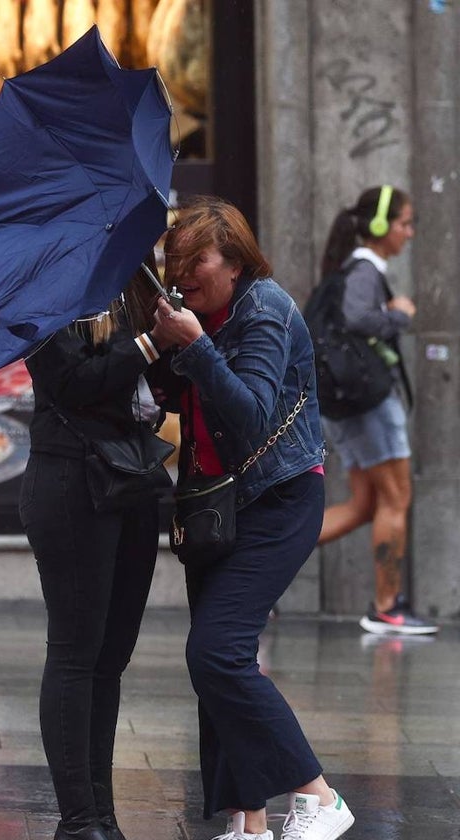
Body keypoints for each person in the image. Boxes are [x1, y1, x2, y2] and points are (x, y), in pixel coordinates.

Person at [148, 196, 354, 840]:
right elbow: (178, 404)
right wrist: (159, 346)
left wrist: (197, 347)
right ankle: (249, 822)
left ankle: (320, 797)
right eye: (176, 262)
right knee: (218, 659)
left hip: (279, 500)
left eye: (198, 261)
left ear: (234, 262)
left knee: (217, 653)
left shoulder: (264, 308)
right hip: (217, 506)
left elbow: (253, 417)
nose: (185, 274)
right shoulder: (199, 311)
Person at [19, 264, 166, 840]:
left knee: (111, 657)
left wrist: (173, 332)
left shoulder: (130, 279)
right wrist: (151, 343)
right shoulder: (38, 287)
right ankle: (78, 821)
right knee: (77, 652)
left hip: (132, 477)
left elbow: (154, 381)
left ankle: (104, 817)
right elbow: (73, 381)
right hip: (70, 479)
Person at [315, 185, 436, 635]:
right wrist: (399, 315)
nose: (409, 233)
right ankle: (387, 608)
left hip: (351, 406)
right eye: (405, 223)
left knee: (366, 504)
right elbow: (356, 319)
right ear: (382, 227)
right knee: (396, 498)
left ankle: (263, 557)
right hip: (369, 406)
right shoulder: (365, 269)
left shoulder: (354, 268)